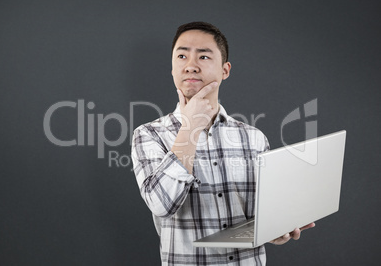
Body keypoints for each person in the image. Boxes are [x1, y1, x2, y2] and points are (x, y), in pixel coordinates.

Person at [131, 21, 314, 266]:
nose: (191, 66)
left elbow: (262, 218)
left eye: (204, 56)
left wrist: (276, 230)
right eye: (182, 56)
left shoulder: (254, 138)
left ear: (225, 70)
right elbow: (162, 204)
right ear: (173, 68)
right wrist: (191, 128)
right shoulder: (149, 134)